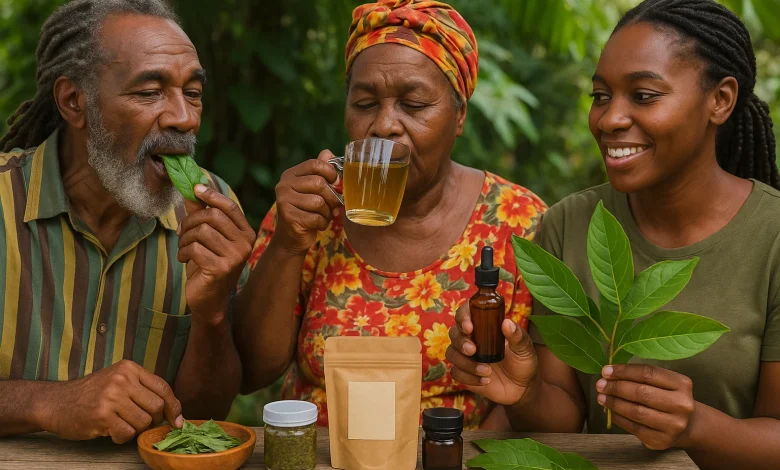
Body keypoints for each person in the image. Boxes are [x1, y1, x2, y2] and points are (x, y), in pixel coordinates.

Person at [447, 0, 780, 467]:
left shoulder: (772, 238)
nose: (608, 120)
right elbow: (565, 414)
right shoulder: (569, 224)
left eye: (643, 96)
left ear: (720, 100)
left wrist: (695, 428)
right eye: (601, 96)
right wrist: (523, 392)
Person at [234, 0, 546, 430]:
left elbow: (534, 398)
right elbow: (252, 371)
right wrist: (288, 244)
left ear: (459, 116)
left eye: (414, 105)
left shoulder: (521, 223)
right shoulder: (312, 210)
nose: (384, 125)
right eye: (364, 104)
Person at [0, 0, 255, 443]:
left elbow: (203, 415)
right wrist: (47, 402)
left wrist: (212, 311)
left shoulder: (210, 214)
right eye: (149, 92)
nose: (183, 117)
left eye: (192, 93)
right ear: (73, 101)